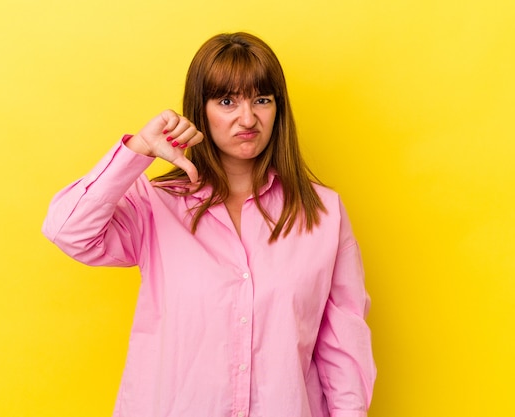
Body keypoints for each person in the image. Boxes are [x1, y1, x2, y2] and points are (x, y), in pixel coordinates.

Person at [42, 32, 376, 417]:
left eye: (262, 100)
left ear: (278, 109)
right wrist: (138, 150)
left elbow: (344, 352)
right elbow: (67, 230)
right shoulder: (157, 203)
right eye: (227, 100)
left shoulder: (323, 213)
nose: (247, 118)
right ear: (200, 109)